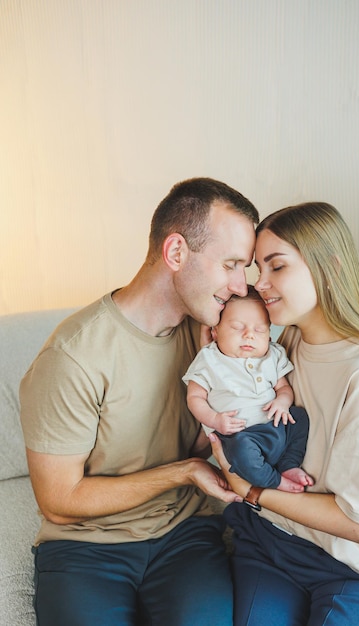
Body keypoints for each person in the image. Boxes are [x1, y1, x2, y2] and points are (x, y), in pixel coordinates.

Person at [19, 177, 260, 626]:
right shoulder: (74, 356)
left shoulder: (215, 337)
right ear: (175, 253)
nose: (241, 286)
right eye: (230, 264)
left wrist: (223, 366)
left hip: (186, 535)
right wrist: (184, 472)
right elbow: (58, 500)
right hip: (86, 547)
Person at [209, 201, 359, 625]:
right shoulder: (284, 347)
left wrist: (254, 492)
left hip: (352, 570)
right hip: (270, 545)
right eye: (257, 270)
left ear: (331, 268)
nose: (259, 284)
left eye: (276, 267)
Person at [183, 285, 314, 492]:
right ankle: (275, 481)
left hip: (276, 426)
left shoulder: (273, 355)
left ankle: (289, 465)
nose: (249, 335)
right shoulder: (209, 359)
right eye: (236, 327)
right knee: (240, 451)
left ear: (269, 335)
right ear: (215, 332)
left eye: (260, 330)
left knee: (300, 417)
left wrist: (282, 402)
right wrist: (215, 420)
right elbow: (195, 397)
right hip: (241, 435)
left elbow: (284, 388)